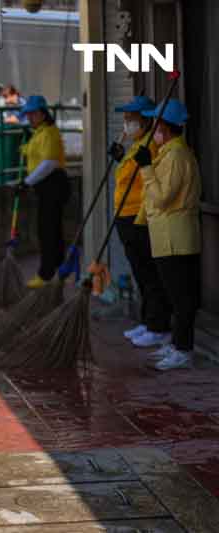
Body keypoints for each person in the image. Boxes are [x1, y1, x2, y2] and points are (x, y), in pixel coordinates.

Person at [134, 99, 202, 371]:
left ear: (165, 127)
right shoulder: (168, 152)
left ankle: (184, 349)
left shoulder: (176, 156)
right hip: (167, 236)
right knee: (175, 295)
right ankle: (177, 344)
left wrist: (146, 168)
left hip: (176, 237)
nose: (154, 130)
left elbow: (162, 198)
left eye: (157, 125)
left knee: (182, 297)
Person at [109, 96, 172, 349]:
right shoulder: (136, 145)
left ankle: (159, 326)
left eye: (131, 119)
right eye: (125, 119)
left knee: (149, 273)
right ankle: (148, 322)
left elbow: (148, 179)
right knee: (140, 271)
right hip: (124, 214)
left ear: (145, 121)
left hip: (139, 217)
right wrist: (120, 157)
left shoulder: (149, 146)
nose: (126, 124)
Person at [16, 95, 70, 288]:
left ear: (42, 113)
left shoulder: (50, 133)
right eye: (27, 115)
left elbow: (49, 163)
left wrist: (27, 182)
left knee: (48, 231)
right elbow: (35, 153)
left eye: (31, 114)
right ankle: (58, 268)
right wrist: (25, 149)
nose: (29, 118)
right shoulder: (39, 133)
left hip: (53, 185)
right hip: (44, 187)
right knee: (50, 229)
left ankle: (46, 274)